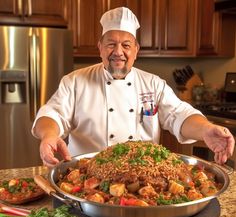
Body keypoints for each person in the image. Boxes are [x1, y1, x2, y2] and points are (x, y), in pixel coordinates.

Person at [32, 7, 235, 168]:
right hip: (85, 177)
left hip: (142, 179)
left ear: (136, 50)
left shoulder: (153, 84)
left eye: (126, 45)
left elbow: (180, 115)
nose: (118, 52)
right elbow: (52, 115)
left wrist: (207, 129)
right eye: (111, 44)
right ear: (100, 48)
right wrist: (49, 135)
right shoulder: (75, 82)